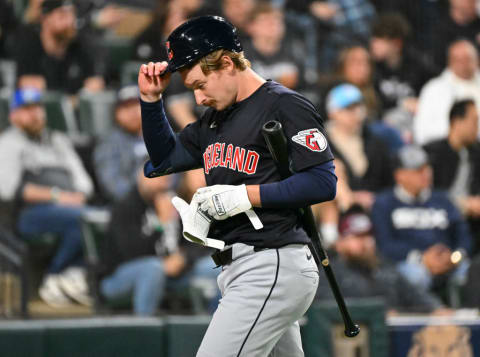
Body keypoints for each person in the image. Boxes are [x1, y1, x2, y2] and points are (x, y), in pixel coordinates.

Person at [137, 15, 337, 357]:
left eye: (200, 84)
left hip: (271, 261)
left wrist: (244, 196)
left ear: (227, 62)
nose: (198, 97)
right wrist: (151, 101)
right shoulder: (216, 117)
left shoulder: (283, 104)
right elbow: (163, 160)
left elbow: (323, 182)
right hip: (241, 266)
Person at [0, 88, 94, 307]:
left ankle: (71, 276)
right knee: (85, 218)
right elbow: (8, 190)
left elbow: (85, 184)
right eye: (27, 109)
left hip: (69, 208)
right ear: (14, 115)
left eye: (38, 108)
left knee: (97, 218)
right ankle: (54, 275)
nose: (35, 114)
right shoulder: (8, 143)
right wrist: (56, 196)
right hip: (28, 214)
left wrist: (75, 196)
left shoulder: (58, 140)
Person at [99, 169, 217, 315]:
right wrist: (161, 224)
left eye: (165, 178)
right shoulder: (125, 207)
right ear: (141, 177)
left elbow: (198, 240)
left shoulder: (172, 201)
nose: (161, 183)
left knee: (217, 266)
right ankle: (146, 331)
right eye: (154, 177)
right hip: (120, 277)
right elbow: (131, 254)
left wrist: (183, 257)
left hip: (173, 274)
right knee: (153, 268)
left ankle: (213, 325)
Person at [371, 145, 472, 297]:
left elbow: (462, 234)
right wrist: (422, 258)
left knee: (470, 272)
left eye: (427, 168)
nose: (425, 174)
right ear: (400, 175)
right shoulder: (384, 203)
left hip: (449, 261)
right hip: (408, 263)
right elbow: (384, 244)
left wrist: (455, 256)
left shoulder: (443, 199)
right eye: (418, 170)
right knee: (415, 276)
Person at [316, 205, 446, 314]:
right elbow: (327, 311)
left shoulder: (385, 268)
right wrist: (378, 314)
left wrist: (437, 309)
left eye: (368, 236)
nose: (366, 243)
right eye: (357, 237)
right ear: (340, 243)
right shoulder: (329, 274)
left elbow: (418, 297)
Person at [10, 0, 105, 94]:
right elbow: (27, 87)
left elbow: (95, 83)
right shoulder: (29, 44)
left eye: (72, 14)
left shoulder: (80, 45)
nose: (70, 21)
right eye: (63, 16)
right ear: (45, 18)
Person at [424, 99, 480, 253]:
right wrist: (463, 204)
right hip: (439, 216)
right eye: (474, 121)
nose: (477, 127)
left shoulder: (476, 152)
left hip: (473, 217)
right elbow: (426, 194)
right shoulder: (432, 152)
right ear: (456, 122)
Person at [414, 39, 480, 145]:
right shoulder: (434, 89)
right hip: (445, 150)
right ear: (449, 62)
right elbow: (422, 132)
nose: (463, 64)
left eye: (468, 59)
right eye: (458, 60)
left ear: (477, 60)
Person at [93, 85, 149, 202]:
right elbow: (112, 185)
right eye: (126, 107)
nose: (132, 112)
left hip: (167, 197)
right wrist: (146, 192)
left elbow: (176, 173)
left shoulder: (161, 133)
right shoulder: (109, 143)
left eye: (136, 104)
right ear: (116, 114)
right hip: (130, 205)